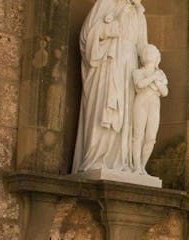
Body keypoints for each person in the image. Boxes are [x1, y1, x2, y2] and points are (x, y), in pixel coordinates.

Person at [74, 0, 149, 173]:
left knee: (125, 113)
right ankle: (97, 158)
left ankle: (122, 161)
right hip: (107, 64)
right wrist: (107, 30)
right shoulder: (106, 3)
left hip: (129, 69)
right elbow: (86, 36)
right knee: (104, 109)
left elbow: (143, 48)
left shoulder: (139, 14)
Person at [130, 44, 168, 175]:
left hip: (154, 104)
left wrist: (156, 81)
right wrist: (153, 78)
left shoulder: (161, 74)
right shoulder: (138, 72)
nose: (150, 54)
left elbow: (165, 92)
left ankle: (142, 165)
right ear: (143, 57)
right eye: (147, 52)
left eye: (153, 52)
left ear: (157, 57)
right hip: (141, 103)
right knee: (138, 135)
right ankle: (136, 167)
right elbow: (140, 84)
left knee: (151, 137)